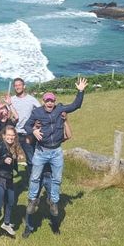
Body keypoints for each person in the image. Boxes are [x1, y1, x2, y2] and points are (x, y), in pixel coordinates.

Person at [24, 77, 88, 220]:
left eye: (51, 100)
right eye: (47, 100)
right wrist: (33, 131)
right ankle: (32, 200)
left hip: (56, 151)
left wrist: (81, 91)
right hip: (41, 151)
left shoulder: (60, 109)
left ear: (55, 100)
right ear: (43, 101)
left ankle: (53, 201)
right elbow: (26, 126)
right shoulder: (37, 113)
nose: (49, 103)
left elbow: (76, 105)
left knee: (57, 179)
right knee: (34, 178)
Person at [0, 125, 19, 246]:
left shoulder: (13, 146)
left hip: (9, 178)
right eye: (9, 135)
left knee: (11, 201)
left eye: (13, 135)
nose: (11, 137)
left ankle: (6, 223)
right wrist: (3, 161)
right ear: (4, 136)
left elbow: (13, 161)